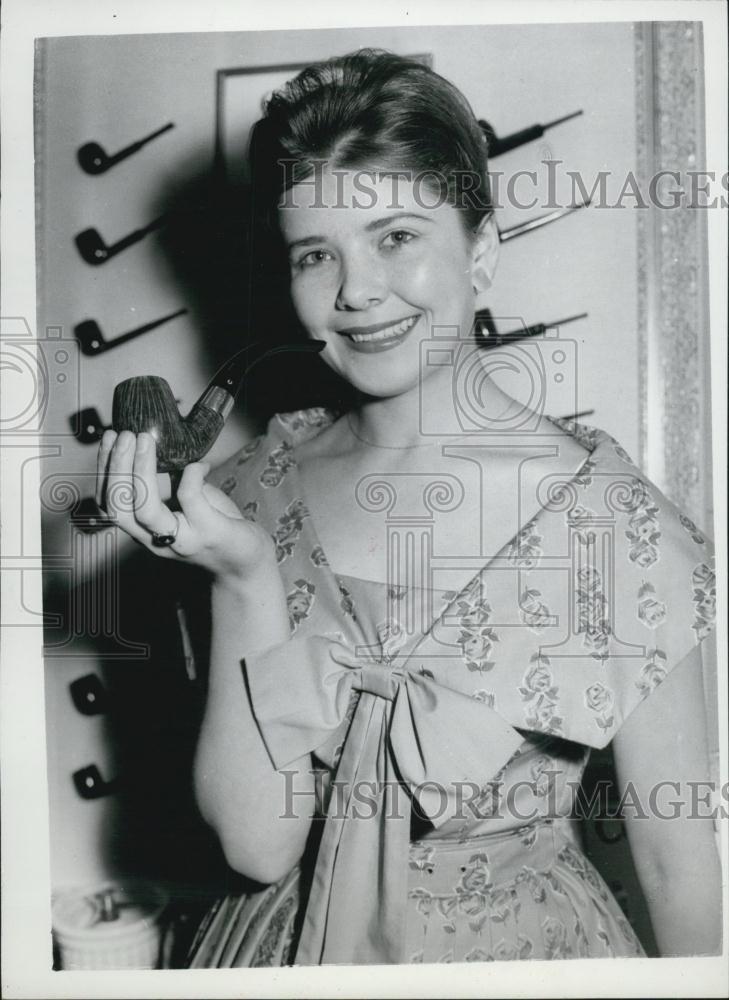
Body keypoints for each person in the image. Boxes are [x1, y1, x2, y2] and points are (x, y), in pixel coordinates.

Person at [96, 49, 721, 966]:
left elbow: (676, 865)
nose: (354, 290)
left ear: (482, 250)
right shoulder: (245, 495)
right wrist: (243, 577)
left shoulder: (617, 524)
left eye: (395, 237)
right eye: (316, 254)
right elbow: (257, 845)